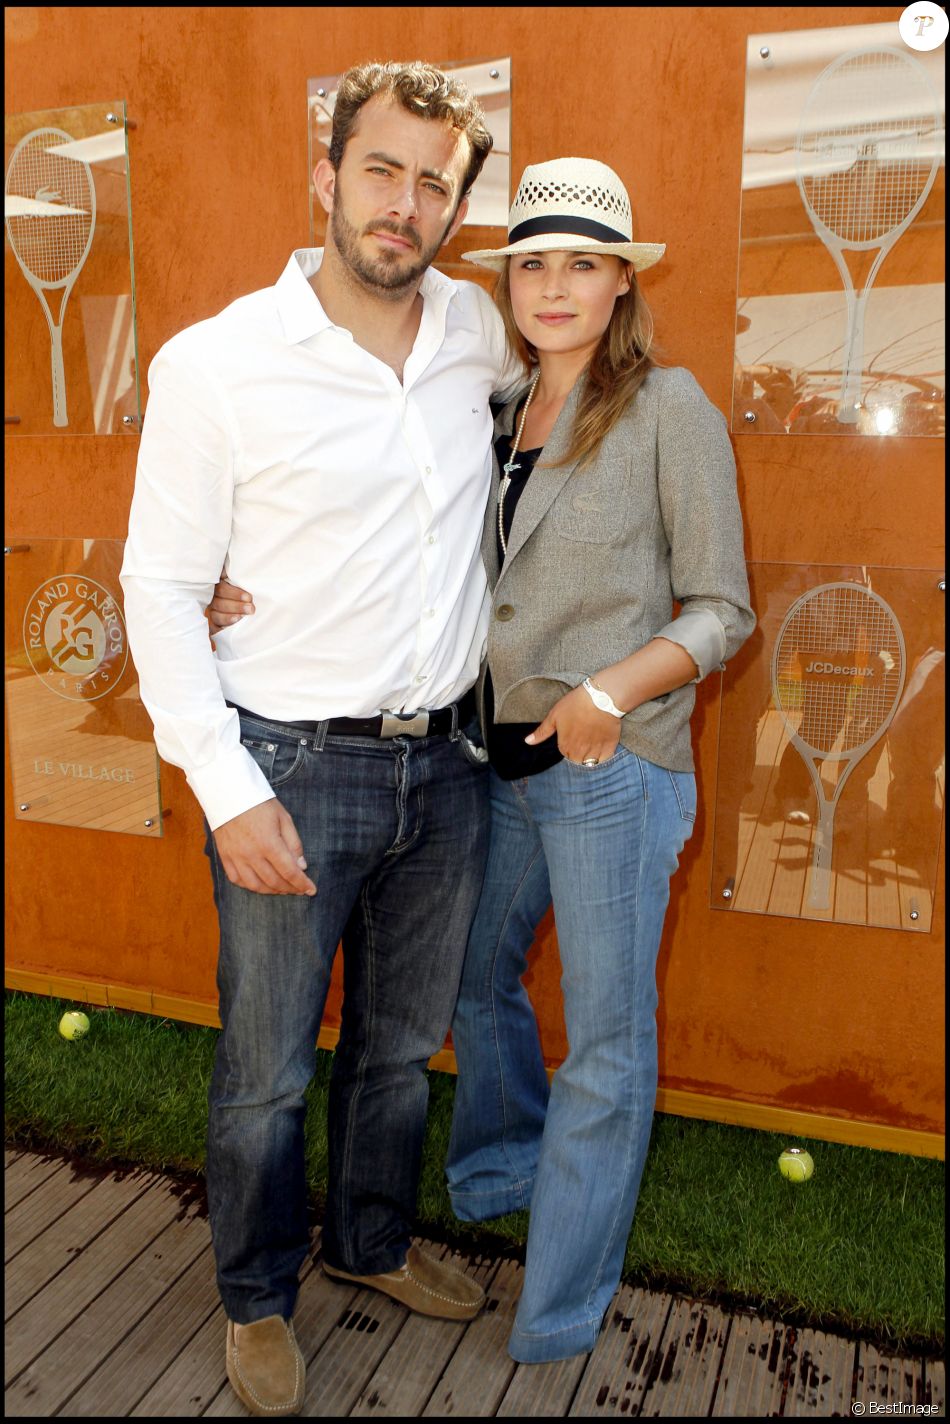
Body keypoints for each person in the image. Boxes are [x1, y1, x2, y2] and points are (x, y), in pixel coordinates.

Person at [208, 157, 755, 1365]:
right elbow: (386, 531)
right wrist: (230, 586)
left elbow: (722, 609)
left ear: (621, 284)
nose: (554, 286)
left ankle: (558, 1303)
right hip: (488, 762)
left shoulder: (672, 409)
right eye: (532, 263)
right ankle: (501, 1165)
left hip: (614, 769)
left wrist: (613, 688)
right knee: (468, 980)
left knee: (607, 1045)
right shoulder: (489, 402)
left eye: (583, 264)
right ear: (507, 281)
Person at [120, 60, 524, 1418]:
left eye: (432, 182)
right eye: (380, 170)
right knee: (264, 1071)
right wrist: (226, 788)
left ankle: (367, 1245)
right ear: (324, 176)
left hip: (449, 767)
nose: (402, 205)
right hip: (288, 764)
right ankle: (255, 1299)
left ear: (454, 205)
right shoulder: (217, 362)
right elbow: (163, 589)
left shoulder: (481, 331)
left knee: (402, 1050)